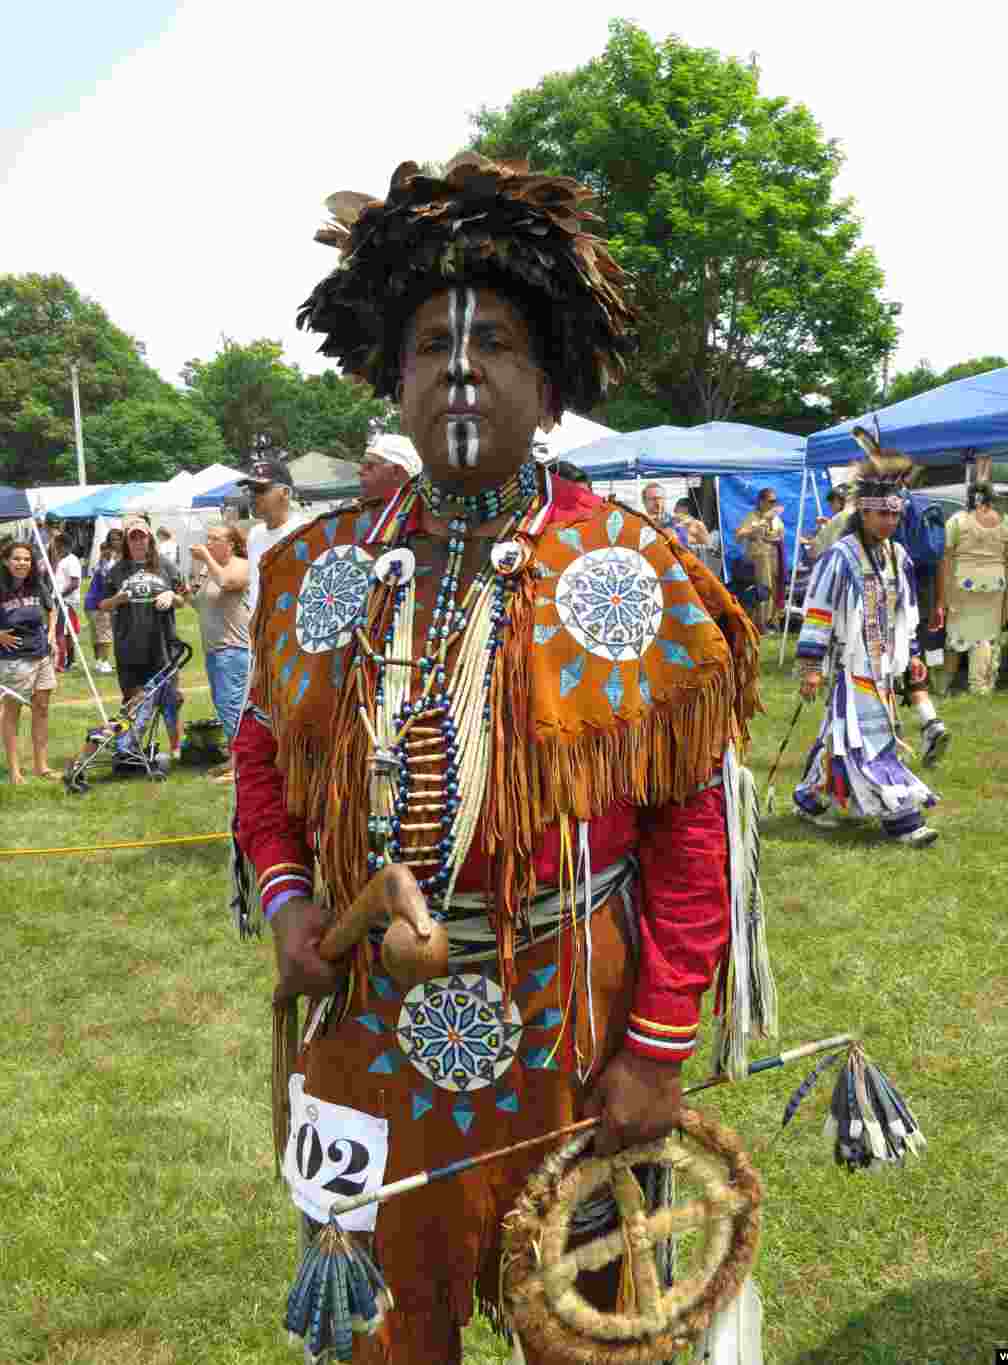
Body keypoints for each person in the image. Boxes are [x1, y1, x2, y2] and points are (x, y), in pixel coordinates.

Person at [233, 153, 762, 1364]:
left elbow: (692, 834)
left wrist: (658, 1046)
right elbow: (265, 763)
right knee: (381, 1331)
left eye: (499, 343)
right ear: (392, 376)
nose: (460, 365)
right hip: (370, 1016)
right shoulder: (314, 574)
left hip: (574, 1022)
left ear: (552, 380)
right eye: (430, 342)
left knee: (582, 1328)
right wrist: (288, 900)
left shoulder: (635, 573)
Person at [793, 445, 941, 847]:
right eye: (882, 513)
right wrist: (810, 666)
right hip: (851, 665)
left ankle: (809, 797)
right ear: (863, 512)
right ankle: (903, 820)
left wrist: (911, 656)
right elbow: (819, 612)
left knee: (841, 737)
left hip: (882, 668)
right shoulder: (840, 557)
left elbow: (904, 613)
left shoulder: (898, 556)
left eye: (896, 513)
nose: (890, 521)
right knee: (871, 739)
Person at [99, 516, 187, 758]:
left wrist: (171, 595)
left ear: (150, 539)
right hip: (129, 646)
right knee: (133, 700)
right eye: (133, 537)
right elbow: (103, 604)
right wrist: (117, 600)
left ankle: (176, 748)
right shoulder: (116, 571)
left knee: (171, 699)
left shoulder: (166, 566)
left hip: (163, 644)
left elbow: (183, 599)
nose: (138, 541)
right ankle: (129, 748)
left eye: (142, 536)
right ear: (127, 542)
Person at [932, 481, 1008, 695]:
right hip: (995, 586)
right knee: (987, 636)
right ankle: (981, 685)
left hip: (963, 585)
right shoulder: (1006, 522)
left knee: (956, 636)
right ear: (992, 499)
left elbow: (945, 556)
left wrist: (942, 597)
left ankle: (944, 683)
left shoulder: (957, 521)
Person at [186, 521, 250, 780]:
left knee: (232, 706)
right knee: (225, 706)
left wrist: (205, 558)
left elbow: (225, 582)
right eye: (208, 538)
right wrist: (184, 594)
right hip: (215, 651)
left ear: (231, 543)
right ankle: (235, 758)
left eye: (215, 539)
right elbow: (201, 605)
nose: (209, 543)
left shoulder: (240, 565)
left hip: (233, 649)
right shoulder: (208, 569)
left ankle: (240, 764)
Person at [0, 540, 58, 782]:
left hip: (41, 654)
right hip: (13, 659)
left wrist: (52, 633)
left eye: (26, 559)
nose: (22, 563)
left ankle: (41, 766)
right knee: (12, 712)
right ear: (5, 561)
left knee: (42, 709)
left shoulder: (37, 583)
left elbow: (51, 608)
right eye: (16, 558)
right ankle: (14, 771)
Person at [238, 457, 307, 614]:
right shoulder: (255, 534)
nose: (253, 496)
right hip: (257, 631)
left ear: (285, 493)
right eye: (250, 490)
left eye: (260, 489)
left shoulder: (305, 532)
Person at [736, 488, 785, 631]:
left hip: (775, 557)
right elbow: (738, 536)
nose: (773, 504)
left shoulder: (776, 518)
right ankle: (761, 623)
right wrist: (755, 528)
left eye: (775, 501)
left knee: (776, 589)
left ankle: (774, 621)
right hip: (759, 559)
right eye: (771, 501)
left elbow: (780, 536)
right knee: (764, 589)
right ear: (761, 501)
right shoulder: (752, 517)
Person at [83, 528, 122, 674]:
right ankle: (104, 662)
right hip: (100, 603)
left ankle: (99, 661)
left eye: (118, 539)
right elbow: (109, 581)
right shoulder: (108, 560)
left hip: (92, 602)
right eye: (113, 540)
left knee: (97, 635)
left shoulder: (102, 560)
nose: (116, 543)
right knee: (105, 634)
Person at [358, 430, 422, 505]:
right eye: (362, 464)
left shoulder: (417, 514)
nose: (359, 471)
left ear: (397, 472)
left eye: (369, 466)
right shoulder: (351, 511)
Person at [50, 532, 82, 672]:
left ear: (64, 546)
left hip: (65, 601)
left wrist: (59, 597)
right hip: (61, 600)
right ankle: (69, 661)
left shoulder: (72, 560)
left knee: (59, 632)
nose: (56, 549)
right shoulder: (62, 560)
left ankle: (61, 663)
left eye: (57, 546)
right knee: (66, 632)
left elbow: (75, 583)